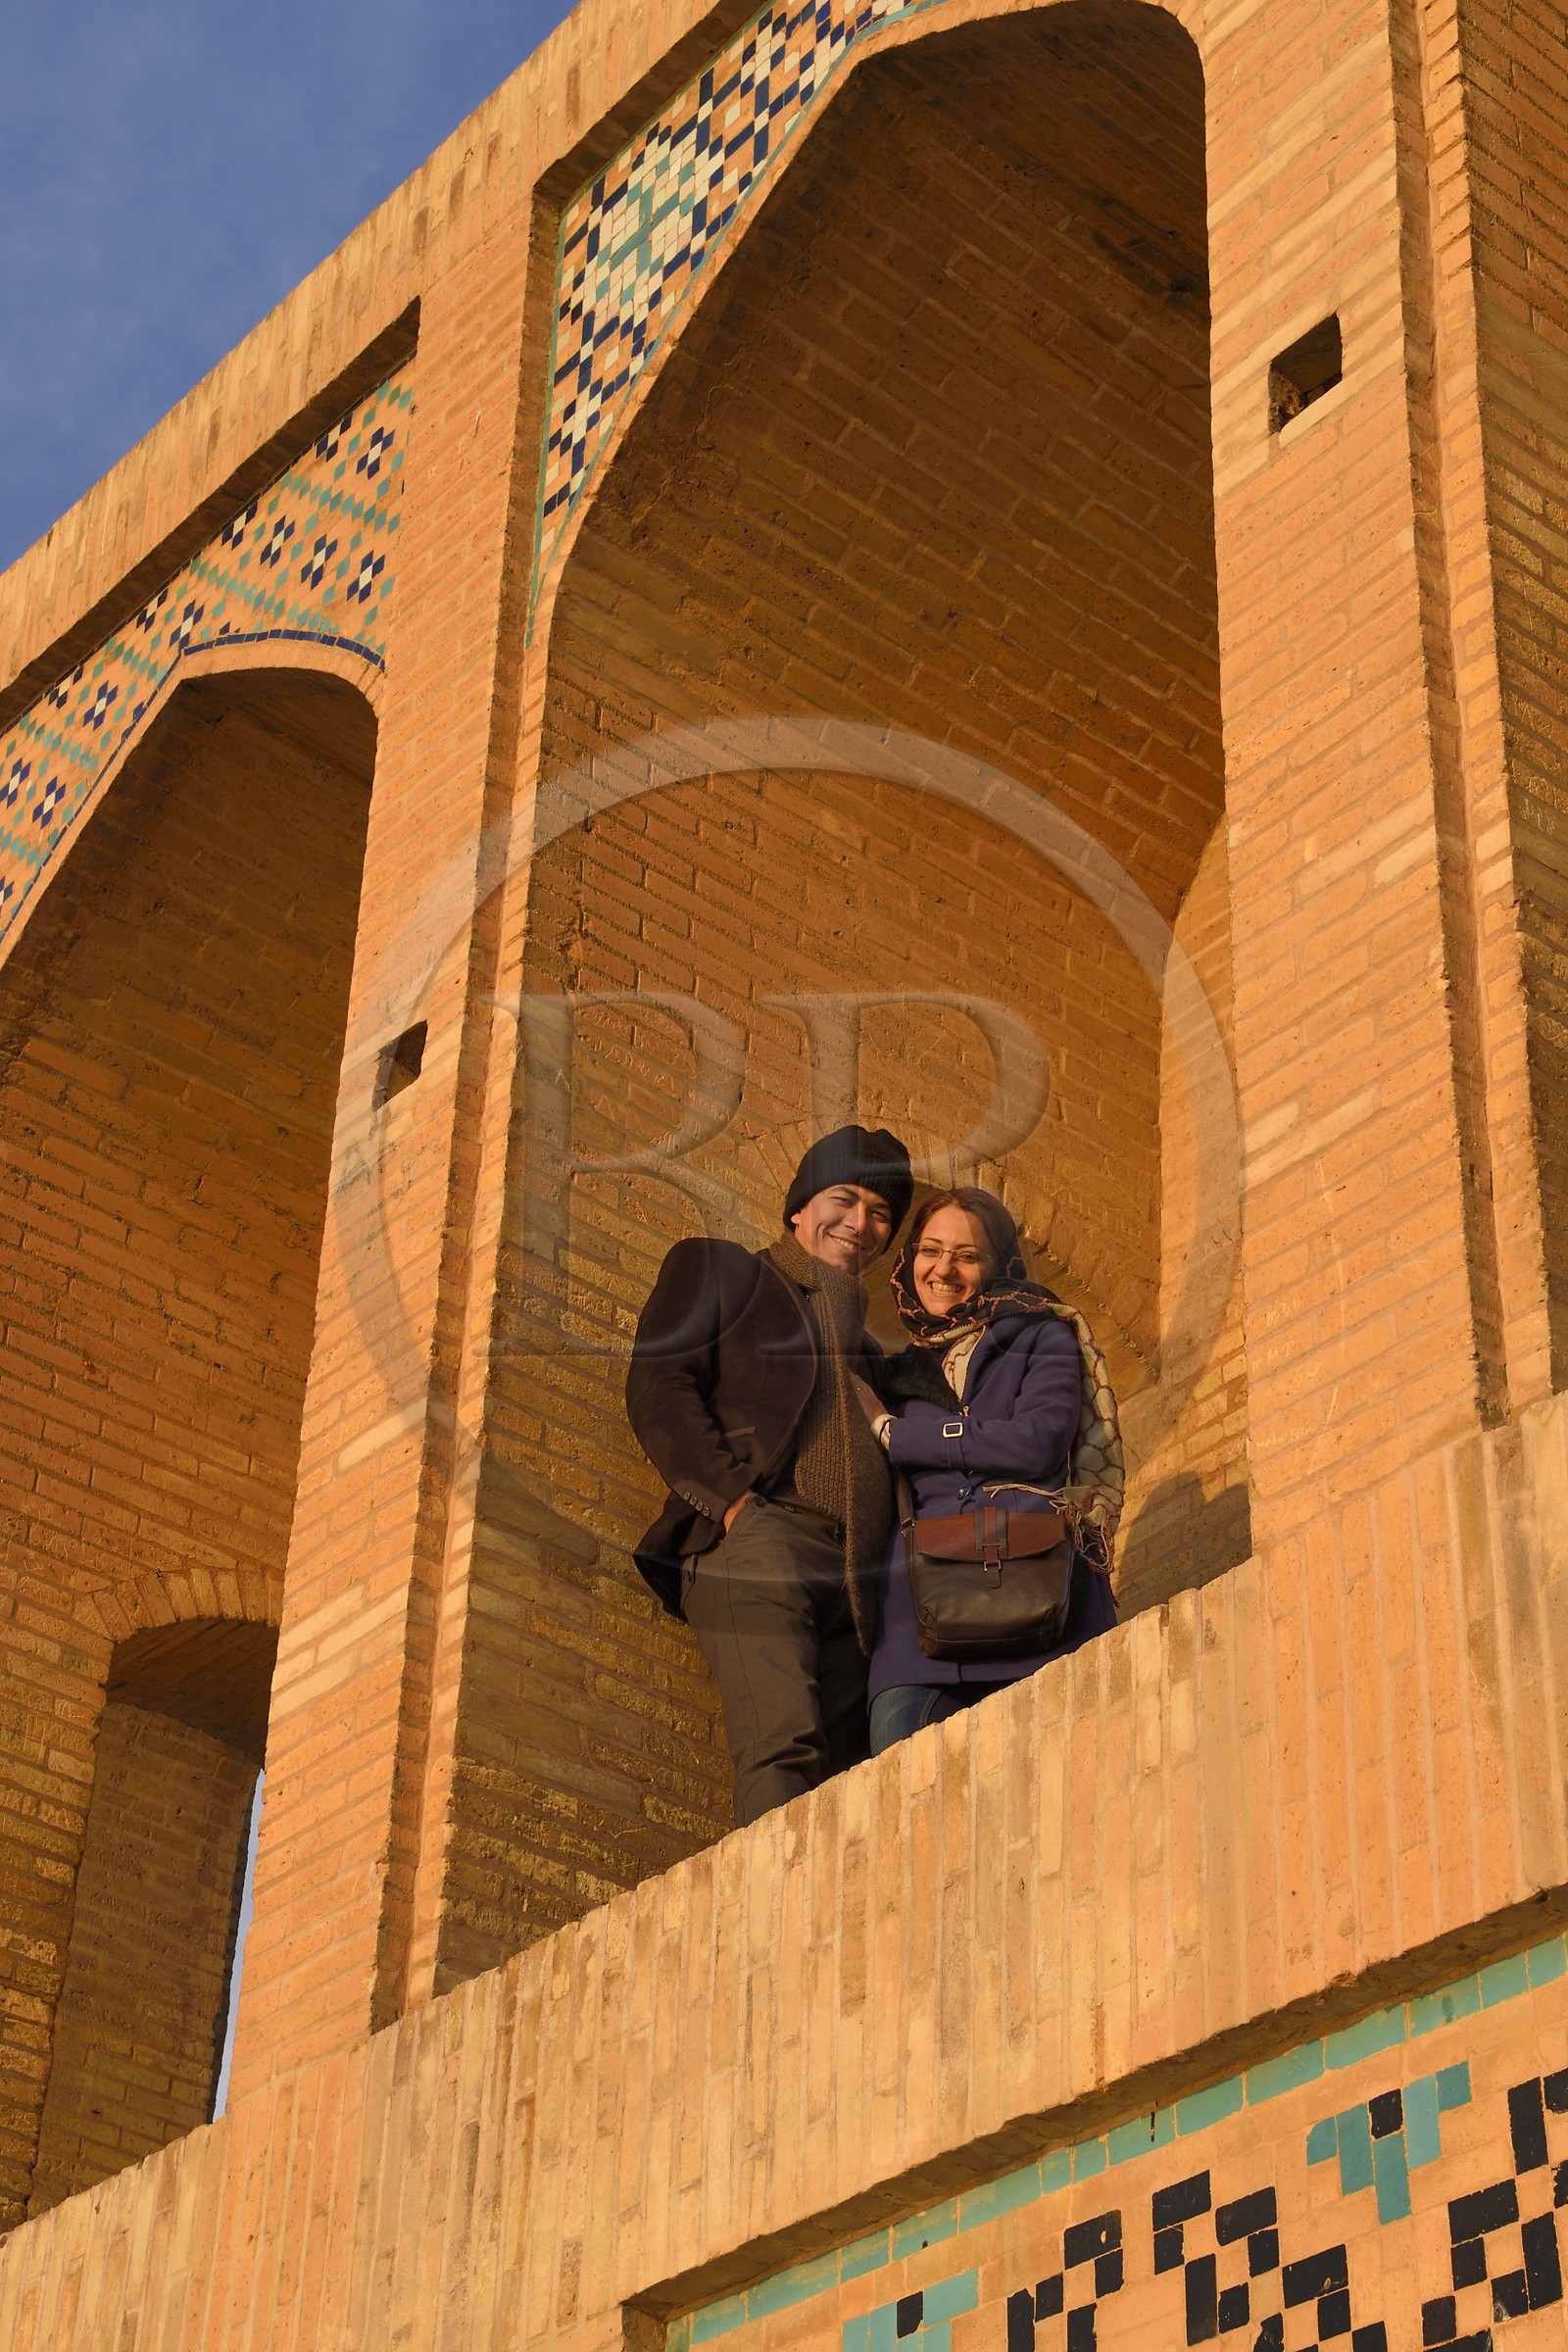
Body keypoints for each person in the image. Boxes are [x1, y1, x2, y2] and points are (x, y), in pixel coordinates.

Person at [625, 1124, 912, 1826]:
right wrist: (735, 1508)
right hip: (760, 1541)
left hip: (856, 1584)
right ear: (799, 1208)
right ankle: (773, 1928)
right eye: (844, 1199)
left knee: (852, 1780)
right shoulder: (728, 1273)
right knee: (782, 1745)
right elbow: (660, 1388)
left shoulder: (873, 1355)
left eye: (880, 1213)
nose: (861, 1223)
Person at [860, 1187, 1122, 1754]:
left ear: (997, 1265)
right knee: (899, 1811)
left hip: (1042, 1600)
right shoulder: (894, 1373)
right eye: (931, 1250)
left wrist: (899, 1435)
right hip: (920, 1627)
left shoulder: (1040, 1333)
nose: (943, 1270)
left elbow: (1036, 1441)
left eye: (967, 1256)